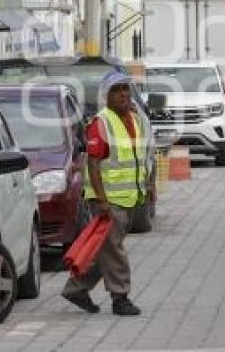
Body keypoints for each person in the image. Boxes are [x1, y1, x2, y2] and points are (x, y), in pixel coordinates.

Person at [61, 72, 152, 316]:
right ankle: (120, 297)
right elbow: (93, 164)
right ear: (107, 96)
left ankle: (76, 288)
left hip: (131, 197)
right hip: (108, 200)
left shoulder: (136, 119)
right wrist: (101, 199)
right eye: (117, 90)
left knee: (107, 249)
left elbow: (143, 156)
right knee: (115, 250)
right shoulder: (102, 122)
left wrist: (148, 185)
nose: (123, 94)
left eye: (126, 89)